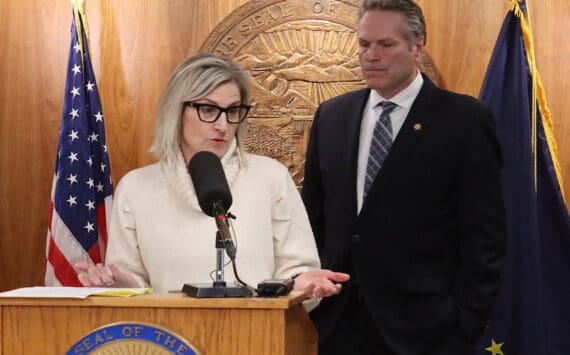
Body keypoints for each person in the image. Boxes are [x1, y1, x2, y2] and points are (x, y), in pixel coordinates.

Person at [302, 0, 505, 354]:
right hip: (338, 327)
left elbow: (484, 237)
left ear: (417, 46)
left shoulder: (464, 120)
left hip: (427, 332)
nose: (371, 56)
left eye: (385, 44)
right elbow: (313, 219)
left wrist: (463, 323)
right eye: (364, 44)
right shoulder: (333, 115)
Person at [75, 53, 349, 303]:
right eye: (208, 110)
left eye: (232, 111)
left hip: (258, 338)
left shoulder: (270, 177)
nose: (223, 125)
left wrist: (298, 285)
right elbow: (133, 285)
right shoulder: (136, 187)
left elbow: (299, 274)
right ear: (176, 111)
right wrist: (121, 283)